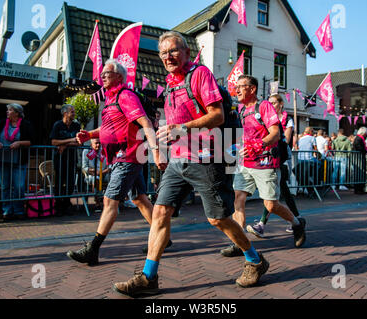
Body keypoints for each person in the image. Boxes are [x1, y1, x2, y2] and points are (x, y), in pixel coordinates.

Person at [114, 31, 269, 297]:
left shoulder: (200, 74)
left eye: (173, 51)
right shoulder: (170, 82)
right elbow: (171, 125)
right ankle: (149, 277)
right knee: (160, 213)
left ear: (186, 52)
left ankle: (255, 260)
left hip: (206, 159)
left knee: (218, 219)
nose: (168, 57)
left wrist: (182, 129)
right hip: (178, 161)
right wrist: (161, 150)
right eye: (163, 53)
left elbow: (218, 115)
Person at [67, 59, 163, 266]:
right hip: (124, 157)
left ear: (119, 76)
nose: (102, 76)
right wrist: (89, 134)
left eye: (106, 73)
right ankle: (164, 236)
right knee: (139, 199)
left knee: (110, 202)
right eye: (101, 74)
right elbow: (109, 127)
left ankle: (92, 249)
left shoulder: (125, 96)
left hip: (127, 156)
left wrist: (156, 151)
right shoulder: (110, 100)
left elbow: (145, 122)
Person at [246, 93, 301, 237]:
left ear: (281, 104)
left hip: (280, 157)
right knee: (278, 193)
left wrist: (270, 137)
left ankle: (264, 224)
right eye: (269, 102)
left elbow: (286, 139)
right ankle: (296, 220)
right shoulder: (263, 115)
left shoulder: (286, 119)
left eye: (274, 102)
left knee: (276, 194)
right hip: (263, 158)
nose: (271, 104)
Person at [0, 103, 35, 220]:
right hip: (3, 160)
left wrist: (19, 143)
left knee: (19, 186)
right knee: (5, 186)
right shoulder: (2, 123)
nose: (7, 112)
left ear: (16, 113)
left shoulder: (26, 124)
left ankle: (19, 210)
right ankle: (7, 210)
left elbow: (31, 141)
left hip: (19, 160)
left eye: (9, 110)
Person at [50, 104, 81, 215]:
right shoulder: (57, 125)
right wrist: (70, 140)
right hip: (59, 158)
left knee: (70, 182)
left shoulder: (76, 125)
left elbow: (78, 142)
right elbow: (53, 142)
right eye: (72, 112)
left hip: (72, 158)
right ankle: (58, 204)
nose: (74, 113)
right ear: (65, 113)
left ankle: (67, 203)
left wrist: (65, 144)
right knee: (59, 181)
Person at [352, 127, 367, 194]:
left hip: (361, 156)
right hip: (358, 157)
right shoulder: (358, 138)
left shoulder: (360, 138)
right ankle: (358, 189)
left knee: (361, 172)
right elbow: (358, 147)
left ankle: (361, 188)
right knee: (359, 172)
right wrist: (365, 151)